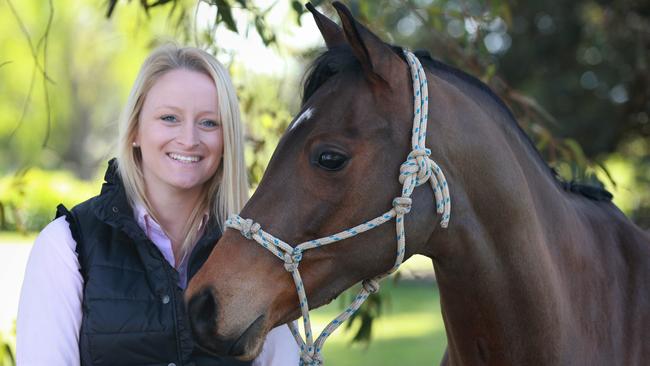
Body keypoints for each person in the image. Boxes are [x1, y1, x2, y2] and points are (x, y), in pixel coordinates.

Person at [16, 44, 300, 365]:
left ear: (227, 139)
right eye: (169, 118)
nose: (189, 139)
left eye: (208, 123)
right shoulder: (66, 246)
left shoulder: (258, 255)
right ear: (135, 129)